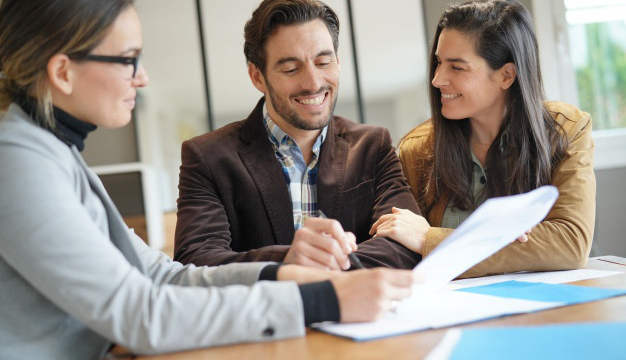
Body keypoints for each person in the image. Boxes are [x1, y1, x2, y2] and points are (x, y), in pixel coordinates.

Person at [0, 1, 416, 359]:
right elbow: (140, 313)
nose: (142, 78)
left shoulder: (54, 155)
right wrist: (319, 299)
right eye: (128, 59)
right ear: (63, 72)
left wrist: (279, 274)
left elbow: (164, 277)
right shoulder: (17, 164)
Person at [174, 0, 421, 271]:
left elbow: (404, 245)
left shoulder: (373, 146)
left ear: (338, 63)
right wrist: (289, 262)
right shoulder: (208, 158)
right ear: (257, 76)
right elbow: (196, 260)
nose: (313, 83)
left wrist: (318, 267)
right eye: (291, 69)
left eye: (323, 62)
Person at [370, 0, 595, 278]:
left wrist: (430, 239)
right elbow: (402, 247)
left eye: (457, 67)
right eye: (439, 63)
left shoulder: (566, 131)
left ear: (506, 75)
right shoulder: (415, 150)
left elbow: (570, 244)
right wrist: (509, 243)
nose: (437, 79)